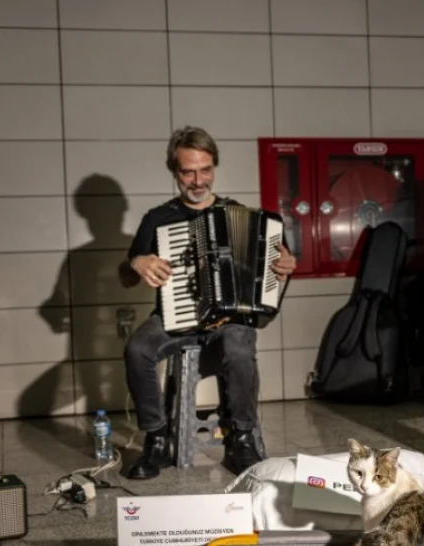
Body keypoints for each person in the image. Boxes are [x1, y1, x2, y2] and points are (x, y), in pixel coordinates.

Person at [120, 126, 296, 479]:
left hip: (227, 321)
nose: (198, 181)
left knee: (240, 343)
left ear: (214, 167)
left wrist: (285, 269)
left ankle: (241, 438)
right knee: (138, 347)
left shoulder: (240, 214)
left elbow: (270, 277)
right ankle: (156, 438)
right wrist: (135, 263)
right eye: (188, 171)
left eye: (205, 170)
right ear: (174, 171)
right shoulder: (157, 220)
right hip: (174, 318)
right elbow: (127, 278)